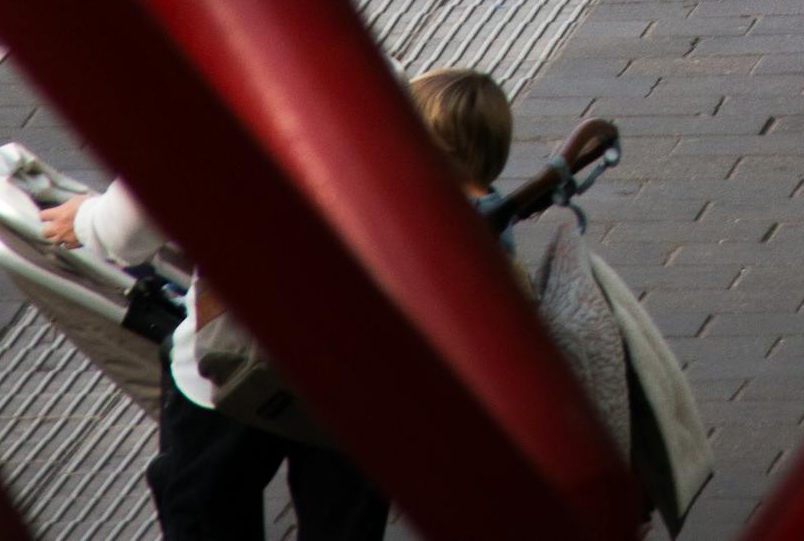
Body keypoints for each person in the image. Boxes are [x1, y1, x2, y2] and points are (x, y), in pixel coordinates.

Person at [38, 70, 521, 541]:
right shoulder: (374, 77)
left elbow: (127, 235)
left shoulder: (197, 92)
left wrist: (86, 221)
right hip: (365, 388)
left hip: (236, 365)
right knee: (342, 521)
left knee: (206, 508)